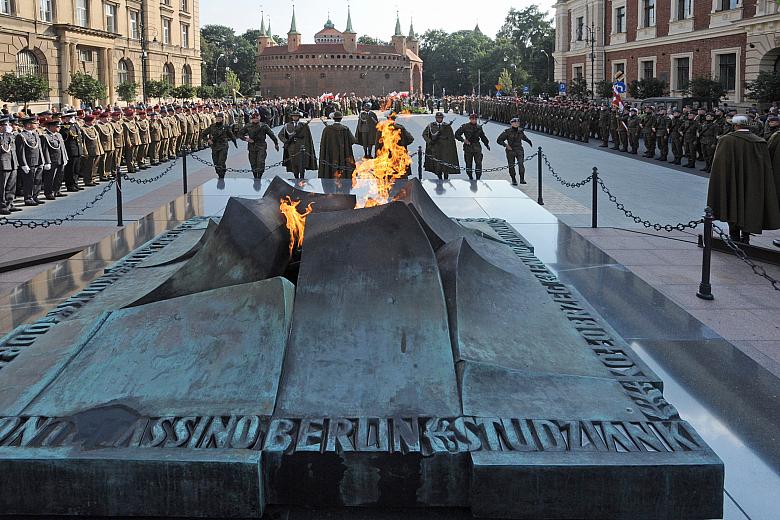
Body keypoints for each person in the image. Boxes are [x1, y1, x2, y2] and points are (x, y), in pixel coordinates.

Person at [707, 115, 780, 244]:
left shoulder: (726, 140)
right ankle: (746, 237)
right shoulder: (760, 142)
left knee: (732, 203)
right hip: (753, 184)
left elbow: (720, 165)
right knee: (749, 206)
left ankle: (734, 236)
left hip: (732, 181)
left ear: (735, 125)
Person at [238, 111, 279, 179]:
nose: (255, 119)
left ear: (259, 118)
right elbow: (240, 134)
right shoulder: (248, 126)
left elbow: (272, 135)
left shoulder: (264, 126)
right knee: (253, 163)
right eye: (254, 118)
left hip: (261, 146)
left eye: (257, 118)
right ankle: (255, 176)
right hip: (252, 146)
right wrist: (246, 139)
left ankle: (259, 176)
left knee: (260, 162)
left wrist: (276, 143)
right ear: (252, 119)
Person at [15, 116, 45, 206]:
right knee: (29, 181)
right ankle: (28, 198)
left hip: (38, 161)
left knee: (37, 180)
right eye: (34, 123)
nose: (37, 124)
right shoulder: (21, 136)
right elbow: (20, 151)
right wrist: (23, 164)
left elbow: (39, 148)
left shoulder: (35, 134)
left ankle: (35, 196)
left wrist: (42, 160)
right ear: (28, 125)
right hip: (29, 162)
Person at [318, 111, 357, 179]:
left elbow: (323, 143)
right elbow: (353, 141)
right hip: (343, 154)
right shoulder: (345, 129)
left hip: (331, 154)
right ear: (341, 119)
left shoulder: (327, 129)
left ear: (333, 119)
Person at [278, 111, 317, 180]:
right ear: (292, 117)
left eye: (297, 116)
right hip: (292, 147)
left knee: (302, 163)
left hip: (302, 147)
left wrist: (307, 146)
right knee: (294, 164)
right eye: (294, 116)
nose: (295, 117)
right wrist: (286, 141)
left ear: (299, 117)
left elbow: (308, 138)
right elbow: (280, 135)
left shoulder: (304, 125)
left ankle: (302, 178)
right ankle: (296, 177)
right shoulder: (287, 125)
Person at [422, 112, 459, 180]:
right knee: (437, 165)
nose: (439, 119)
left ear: (442, 118)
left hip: (445, 149)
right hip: (435, 148)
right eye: (438, 118)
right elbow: (424, 134)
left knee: (445, 165)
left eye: (440, 118)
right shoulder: (431, 125)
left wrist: (450, 148)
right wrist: (430, 141)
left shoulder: (447, 126)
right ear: (436, 118)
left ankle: (445, 179)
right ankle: (439, 178)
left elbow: (451, 137)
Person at [497, 117, 533, 185]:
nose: (517, 124)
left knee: (521, 164)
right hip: (510, 150)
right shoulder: (507, 131)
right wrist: (506, 145)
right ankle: (513, 179)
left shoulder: (520, 131)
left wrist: (529, 141)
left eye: (518, 122)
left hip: (519, 149)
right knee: (511, 165)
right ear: (511, 123)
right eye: (515, 122)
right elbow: (499, 140)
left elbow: (524, 137)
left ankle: (522, 179)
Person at [455, 114, 490, 180]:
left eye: (475, 119)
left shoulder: (479, 127)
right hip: (468, 148)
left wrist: (486, 144)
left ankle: (478, 178)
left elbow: (483, 136)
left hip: (477, 147)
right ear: (470, 119)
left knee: (479, 163)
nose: (474, 120)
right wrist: (463, 140)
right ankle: (470, 177)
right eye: (472, 119)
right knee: (468, 164)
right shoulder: (465, 126)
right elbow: (457, 134)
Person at [203, 112, 238, 179]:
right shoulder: (212, 126)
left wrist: (235, 143)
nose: (218, 119)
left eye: (219, 118)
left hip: (223, 146)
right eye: (217, 118)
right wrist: (208, 140)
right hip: (215, 146)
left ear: (222, 119)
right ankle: (219, 174)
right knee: (216, 163)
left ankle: (222, 176)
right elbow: (203, 134)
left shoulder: (226, 127)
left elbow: (231, 135)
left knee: (221, 162)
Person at [40, 119, 68, 200]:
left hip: (61, 159)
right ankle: (49, 193)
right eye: (57, 126)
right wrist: (47, 162)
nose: (59, 128)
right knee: (50, 177)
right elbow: (45, 150)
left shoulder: (58, 135)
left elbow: (63, 148)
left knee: (59, 176)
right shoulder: (45, 136)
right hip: (52, 160)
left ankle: (57, 190)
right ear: (51, 127)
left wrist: (65, 157)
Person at [60, 110, 84, 192]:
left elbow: (79, 137)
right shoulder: (65, 127)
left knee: (76, 169)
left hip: (77, 150)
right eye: (71, 117)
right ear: (67, 118)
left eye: (73, 117)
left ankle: (75, 184)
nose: (73, 118)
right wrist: (68, 125)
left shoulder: (76, 125)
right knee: (70, 170)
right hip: (71, 151)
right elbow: (64, 137)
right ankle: (70, 185)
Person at [0, 115, 18, 214]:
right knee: (2, 186)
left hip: (12, 162)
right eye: (5, 125)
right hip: (3, 164)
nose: (7, 127)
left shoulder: (9, 135)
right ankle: (2, 206)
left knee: (11, 185)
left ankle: (9, 203)